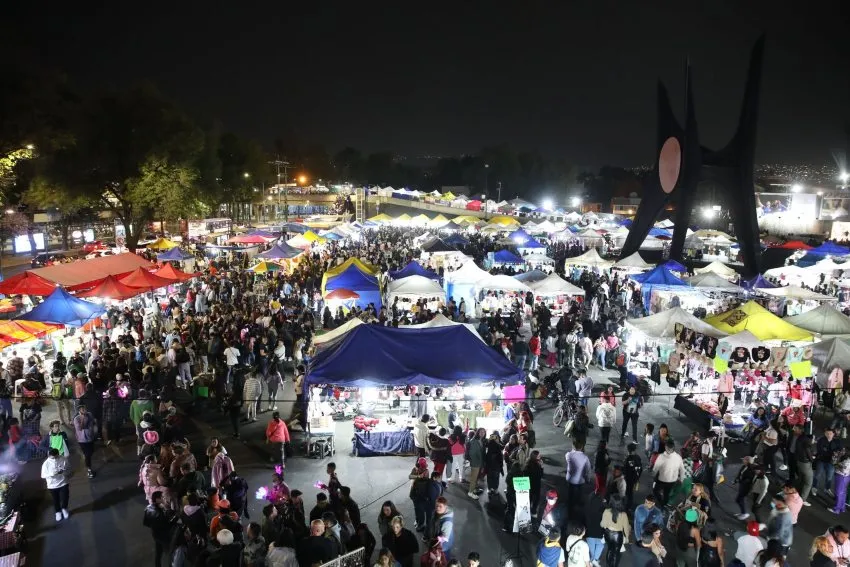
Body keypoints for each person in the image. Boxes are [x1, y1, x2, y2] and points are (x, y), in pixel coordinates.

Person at [144, 491, 176, 567]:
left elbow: (146, 523)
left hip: (155, 534)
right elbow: (168, 525)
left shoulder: (148, 508)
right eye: (162, 497)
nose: (164, 498)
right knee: (170, 553)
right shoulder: (160, 513)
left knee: (158, 553)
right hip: (164, 536)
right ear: (157, 499)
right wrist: (174, 519)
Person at [600, 494, 630, 567]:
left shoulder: (607, 511)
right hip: (618, 536)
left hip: (608, 534)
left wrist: (608, 525)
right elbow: (626, 527)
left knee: (609, 550)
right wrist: (627, 538)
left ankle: (608, 565)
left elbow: (602, 524)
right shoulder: (623, 514)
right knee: (616, 553)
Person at [41, 447, 70, 522]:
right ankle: (58, 512)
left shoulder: (62, 458)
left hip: (63, 481)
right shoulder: (46, 464)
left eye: (56, 457)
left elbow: (67, 466)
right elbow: (43, 475)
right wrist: (52, 474)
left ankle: (64, 508)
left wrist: (64, 469)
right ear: (49, 455)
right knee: (55, 499)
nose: (55, 458)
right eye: (53, 457)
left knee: (65, 497)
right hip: (52, 485)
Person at [652, 440, 684, 506]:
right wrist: (681, 479)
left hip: (662, 479)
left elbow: (655, 468)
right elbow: (682, 470)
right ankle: (664, 504)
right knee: (666, 493)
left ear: (665, 447)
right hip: (672, 481)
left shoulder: (661, 457)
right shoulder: (678, 457)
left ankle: (660, 501)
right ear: (673, 447)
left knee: (655, 491)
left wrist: (653, 475)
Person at [565, 440, 592, 509]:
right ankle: (579, 502)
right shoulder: (585, 457)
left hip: (571, 479)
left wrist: (573, 450)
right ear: (582, 447)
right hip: (580, 479)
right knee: (580, 492)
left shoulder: (569, 455)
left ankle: (570, 504)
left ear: (574, 447)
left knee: (571, 492)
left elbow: (568, 455)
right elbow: (588, 469)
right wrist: (588, 479)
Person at [73, 404, 97, 478]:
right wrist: (83, 418)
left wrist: (95, 427)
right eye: (82, 409)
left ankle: (87, 459)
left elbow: (93, 422)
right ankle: (89, 470)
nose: (84, 410)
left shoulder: (89, 414)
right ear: (79, 411)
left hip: (90, 437)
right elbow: (80, 428)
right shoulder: (76, 419)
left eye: (84, 408)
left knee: (91, 451)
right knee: (87, 454)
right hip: (82, 440)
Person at [465, 428, 485, 500]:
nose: (482, 433)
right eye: (481, 432)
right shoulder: (474, 441)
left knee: (475, 477)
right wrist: (477, 462)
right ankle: (470, 492)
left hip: (478, 462)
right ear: (477, 433)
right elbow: (472, 453)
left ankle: (473, 489)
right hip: (476, 463)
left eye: (484, 432)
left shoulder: (480, 440)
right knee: (473, 478)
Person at [623, 442, 643, 509]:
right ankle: (629, 503)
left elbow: (628, 470)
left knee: (629, 492)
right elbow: (640, 469)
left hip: (629, 479)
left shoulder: (629, 459)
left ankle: (628, 506)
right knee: (630, 491)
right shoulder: (637, 457)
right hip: (635, 478)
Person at [485, 431, 504, 496]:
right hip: (491, 464)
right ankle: (491, 488)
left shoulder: (498, 444)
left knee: (495, 477)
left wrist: (498, 442)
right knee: (490, 477)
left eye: (496, 437)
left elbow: (502, 447)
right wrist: (490, 440)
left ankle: (494, 489)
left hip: (495, 464)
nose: (494, 438)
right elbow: (486, 445)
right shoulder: (490, 443)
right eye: (493, 436)